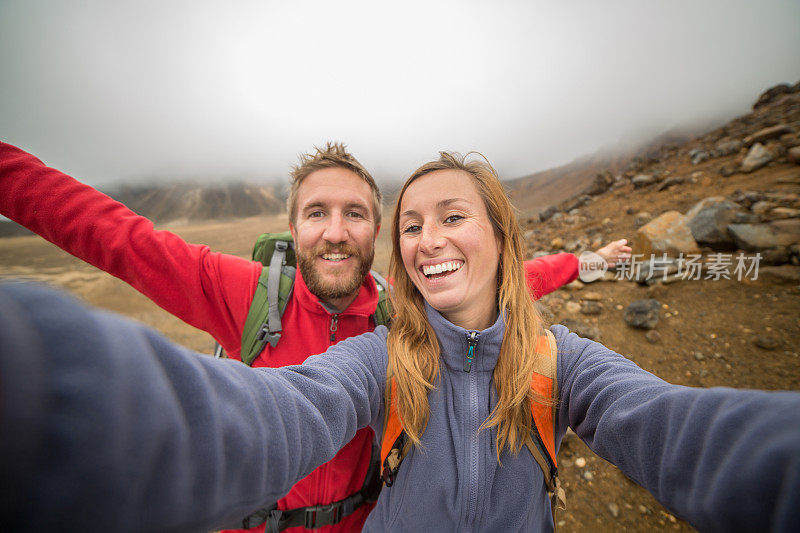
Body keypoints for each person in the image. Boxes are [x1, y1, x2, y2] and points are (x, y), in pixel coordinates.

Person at [1, 151, 798, 532]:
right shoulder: (298, 317)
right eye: (317, 213)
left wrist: (583, 262)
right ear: (293, 227)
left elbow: (678, 426)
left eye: (357, 214)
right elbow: (272, 411)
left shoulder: (431, 329)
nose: (338, 231)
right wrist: (64, 402)